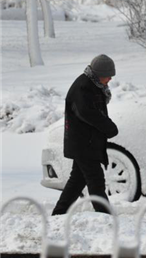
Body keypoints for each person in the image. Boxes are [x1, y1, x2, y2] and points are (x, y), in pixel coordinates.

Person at [52, 54, 119, 215]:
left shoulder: (93, 85)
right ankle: (106, 217)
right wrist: (109, 127)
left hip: (86, 143)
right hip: (84, 144)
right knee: (96, 181)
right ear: (98, 74)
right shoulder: (83, 87)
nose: (110, 79)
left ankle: (59, 214)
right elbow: (88, 113)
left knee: (77, 181)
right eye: (108, 75)